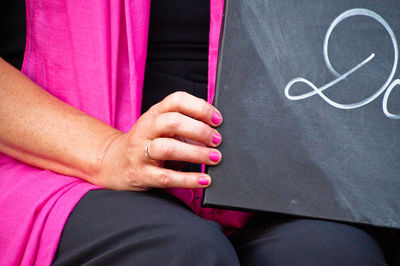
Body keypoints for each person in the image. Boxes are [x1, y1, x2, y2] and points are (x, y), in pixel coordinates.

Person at [0, 1, 399, 265]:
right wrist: (107, 152)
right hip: (57, 164)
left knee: (332, 255)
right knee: (178, 253)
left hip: (288, 179)